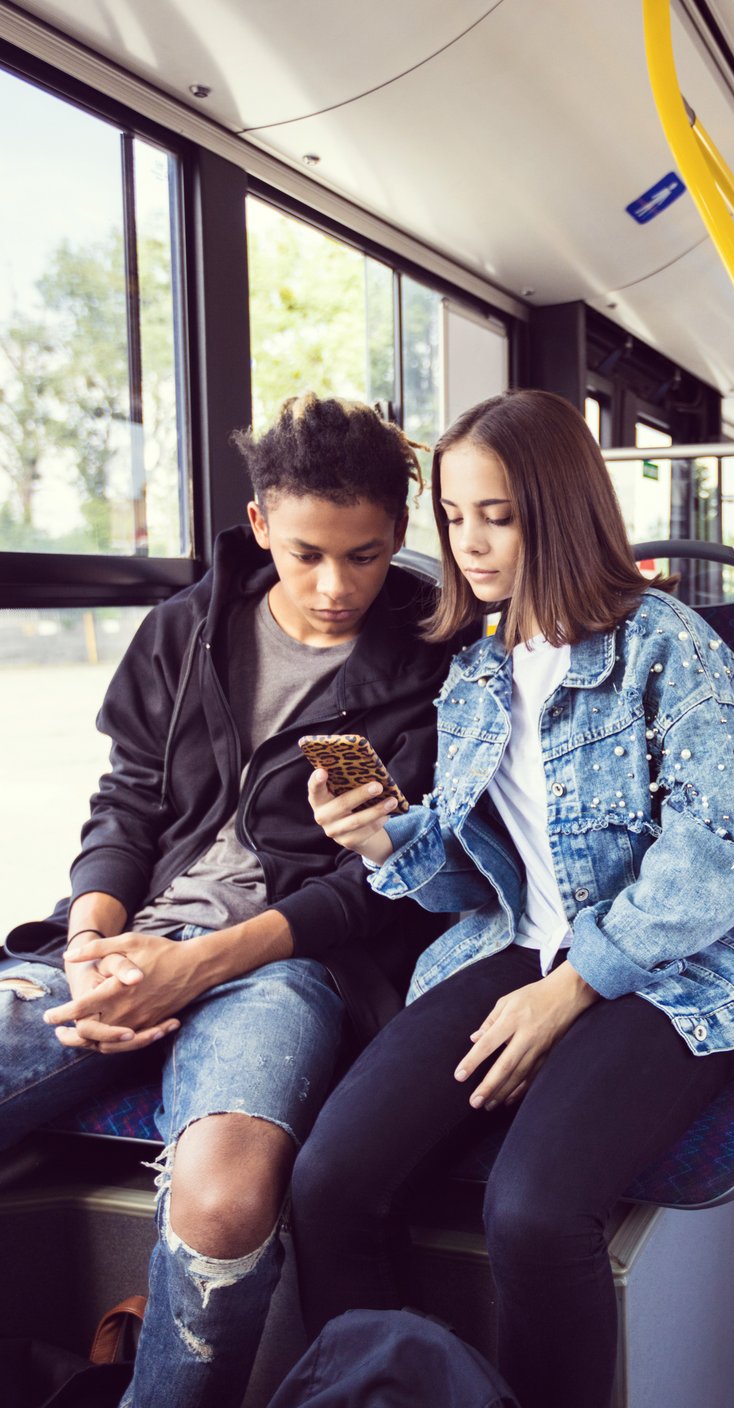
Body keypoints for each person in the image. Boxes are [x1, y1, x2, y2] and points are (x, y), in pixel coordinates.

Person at [290, 389, 734, 1408]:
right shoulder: (478, 673)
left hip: (681, 964)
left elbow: (719, 852)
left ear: (560, 511)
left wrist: (569, 990)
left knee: (532, 1213)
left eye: (500, 517)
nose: (471, 545)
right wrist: (385, 837)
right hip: (523, 942)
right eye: (455, 517)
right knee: (327, 1182)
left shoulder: (669, 646)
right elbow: (482, 873)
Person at [0, 394, 451, 1408]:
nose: (335, 587)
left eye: (365, 556)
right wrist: (90, 939)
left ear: (400, 532)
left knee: (224, 1202)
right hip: (130, 934)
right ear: (258, 524)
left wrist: (197, 966)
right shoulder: (182, 632)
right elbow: (125, 804)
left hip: (286, 963)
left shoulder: (433, 657)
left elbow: (380, 888)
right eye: (305, 554)